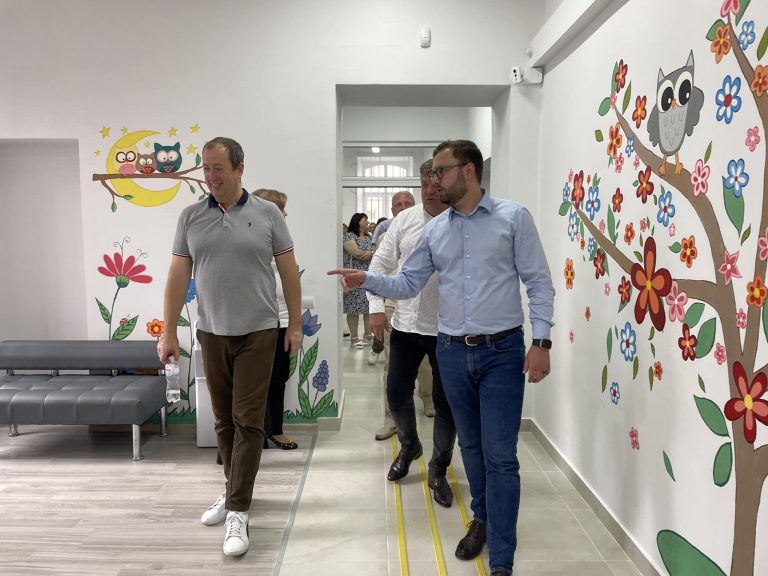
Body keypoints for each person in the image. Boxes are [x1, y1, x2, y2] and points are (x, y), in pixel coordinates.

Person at [329, 139, 555, 576]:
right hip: (452, 352)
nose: (434, 181)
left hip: (502, 352)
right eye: (432, 173)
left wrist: (541, 342)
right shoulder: (435, 231)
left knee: (501, 455)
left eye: (441, 171)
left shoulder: (513, 218)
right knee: (469, 446)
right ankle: (483, 518)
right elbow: (407, 284)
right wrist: (367, 280)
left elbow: (539, 282)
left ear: (468, 171)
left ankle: (502, 559)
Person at [158, 137, 302, 557]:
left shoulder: (267, 213)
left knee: (248, 421)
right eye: (206, 168)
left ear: (240, 168)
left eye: (218, 168)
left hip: (259, 332)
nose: (211, 176)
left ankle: (238, 510)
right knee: (223, 421)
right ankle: (233, 489)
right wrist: (168, 332)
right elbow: (177, 276)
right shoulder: (190, 217)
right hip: (211, 332)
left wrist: (294, 325)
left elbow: (288, 271)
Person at [368, 159, 457, 508]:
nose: (430, 192)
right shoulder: (404, 220)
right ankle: (410, 446)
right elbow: (379, 265)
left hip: (449, 330)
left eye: (436, 186)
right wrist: (375, 307)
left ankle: (438, 467)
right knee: (395, 393)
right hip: (405, 323)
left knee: (445, 403)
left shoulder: (462, 221)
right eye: (424, 186)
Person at [253, 188, 298, 451]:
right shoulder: (254, 248)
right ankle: (257, 433)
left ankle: (274, 430)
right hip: (258, 328)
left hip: (281, 326)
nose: (285, 214)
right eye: (281, 209)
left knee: (277, 381)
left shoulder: (281, 245)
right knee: (255, 384)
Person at [342, 213, 374, 349]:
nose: (368, 222)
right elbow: (357, 254)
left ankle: (368, 335)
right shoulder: (349, 236)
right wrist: (371, 253)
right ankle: (354, 338)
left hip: (368, 276)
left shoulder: (369, 237)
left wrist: (370, 253)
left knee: (368, 307)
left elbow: (374, 252)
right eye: (365, 220)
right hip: (353, 277)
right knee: (353, 309)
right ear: (358, 221)